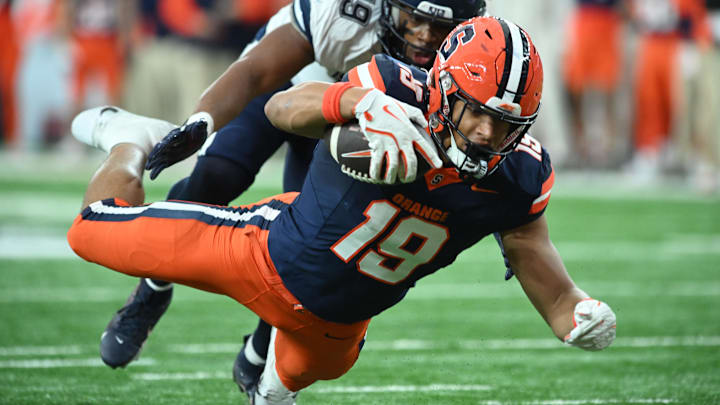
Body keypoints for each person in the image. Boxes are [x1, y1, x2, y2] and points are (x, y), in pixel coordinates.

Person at [68, 16, 617, 405]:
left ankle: (270, 384)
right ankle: (130, 140)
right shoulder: (389, 87)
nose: (485, 133)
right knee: (89, 232)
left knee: (308, 372)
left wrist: (576, 316)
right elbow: (281, 107)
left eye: (506, 124)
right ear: (444, 89)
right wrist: (355, 101)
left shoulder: (519, 177)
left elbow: (540, 266)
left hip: (339, 325)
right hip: (258, 253)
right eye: (475, 111)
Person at [97, 0, 488, 386]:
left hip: (349, 130)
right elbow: (254, 73)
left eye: (441, 27)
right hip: (290, 92)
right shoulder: (344, 16)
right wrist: (203, 119)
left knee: (311, 245)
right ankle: (150, 292)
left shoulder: (468, 58)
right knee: (213, 178)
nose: (424, 36)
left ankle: (260, 352)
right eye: (415, 19)